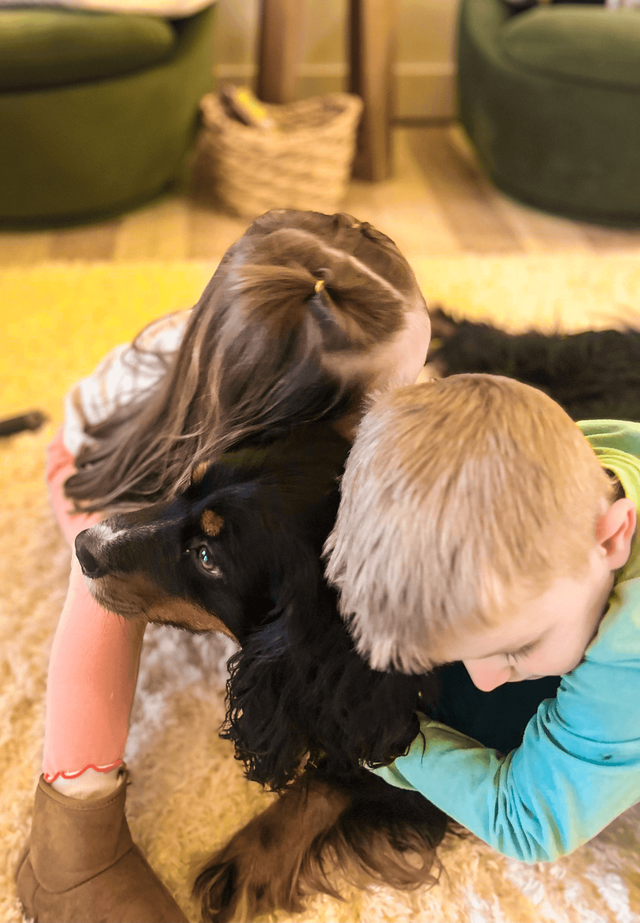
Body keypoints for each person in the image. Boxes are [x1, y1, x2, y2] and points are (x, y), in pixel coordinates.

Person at [16, 209, 432, 923]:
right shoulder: (189, 436)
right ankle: (72, 844)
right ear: (289, 413)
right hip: (102, 464)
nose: (400, 409)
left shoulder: (285, 360)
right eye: (377, 403)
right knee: (106, 583)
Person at [324, 373, 640, 863]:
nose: (487, 681)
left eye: (516, 648)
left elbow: (528, 824)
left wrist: (388, 741)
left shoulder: (630, 654)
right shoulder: (590, 457)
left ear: (613, 538)